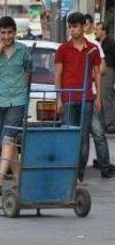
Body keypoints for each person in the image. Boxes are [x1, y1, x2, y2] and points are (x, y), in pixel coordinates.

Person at [0, 16, 31, 195]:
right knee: (9, 141)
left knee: (8, 139)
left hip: (18, 100)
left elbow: (28, 73)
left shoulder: (23, 50)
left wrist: (22, 91)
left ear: (15, 33)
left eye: (10, 33)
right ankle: (19, 180)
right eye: (3, 33)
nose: (7, 36)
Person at [55, 12, 104, 184]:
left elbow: (98, 73)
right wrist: (59, 98)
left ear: (84, 27)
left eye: (75, 26)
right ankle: (68, 173)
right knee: (68, 135)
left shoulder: (92, 48)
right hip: (68, 98)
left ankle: (79, 175)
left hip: (87, 98)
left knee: (83, 138)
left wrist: (99, 97)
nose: (72, 30)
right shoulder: (63, 49)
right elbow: (58, 73)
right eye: (70, 26)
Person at [96, 22, 115, 131]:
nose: (96, 32)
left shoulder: (110, 43)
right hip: (97, 70)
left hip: (108, 69)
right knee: (99, 96)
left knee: (107, 95)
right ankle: (101, 123)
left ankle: (110, 123)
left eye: (98, 29)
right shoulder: (96, 42)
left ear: (104, 31)